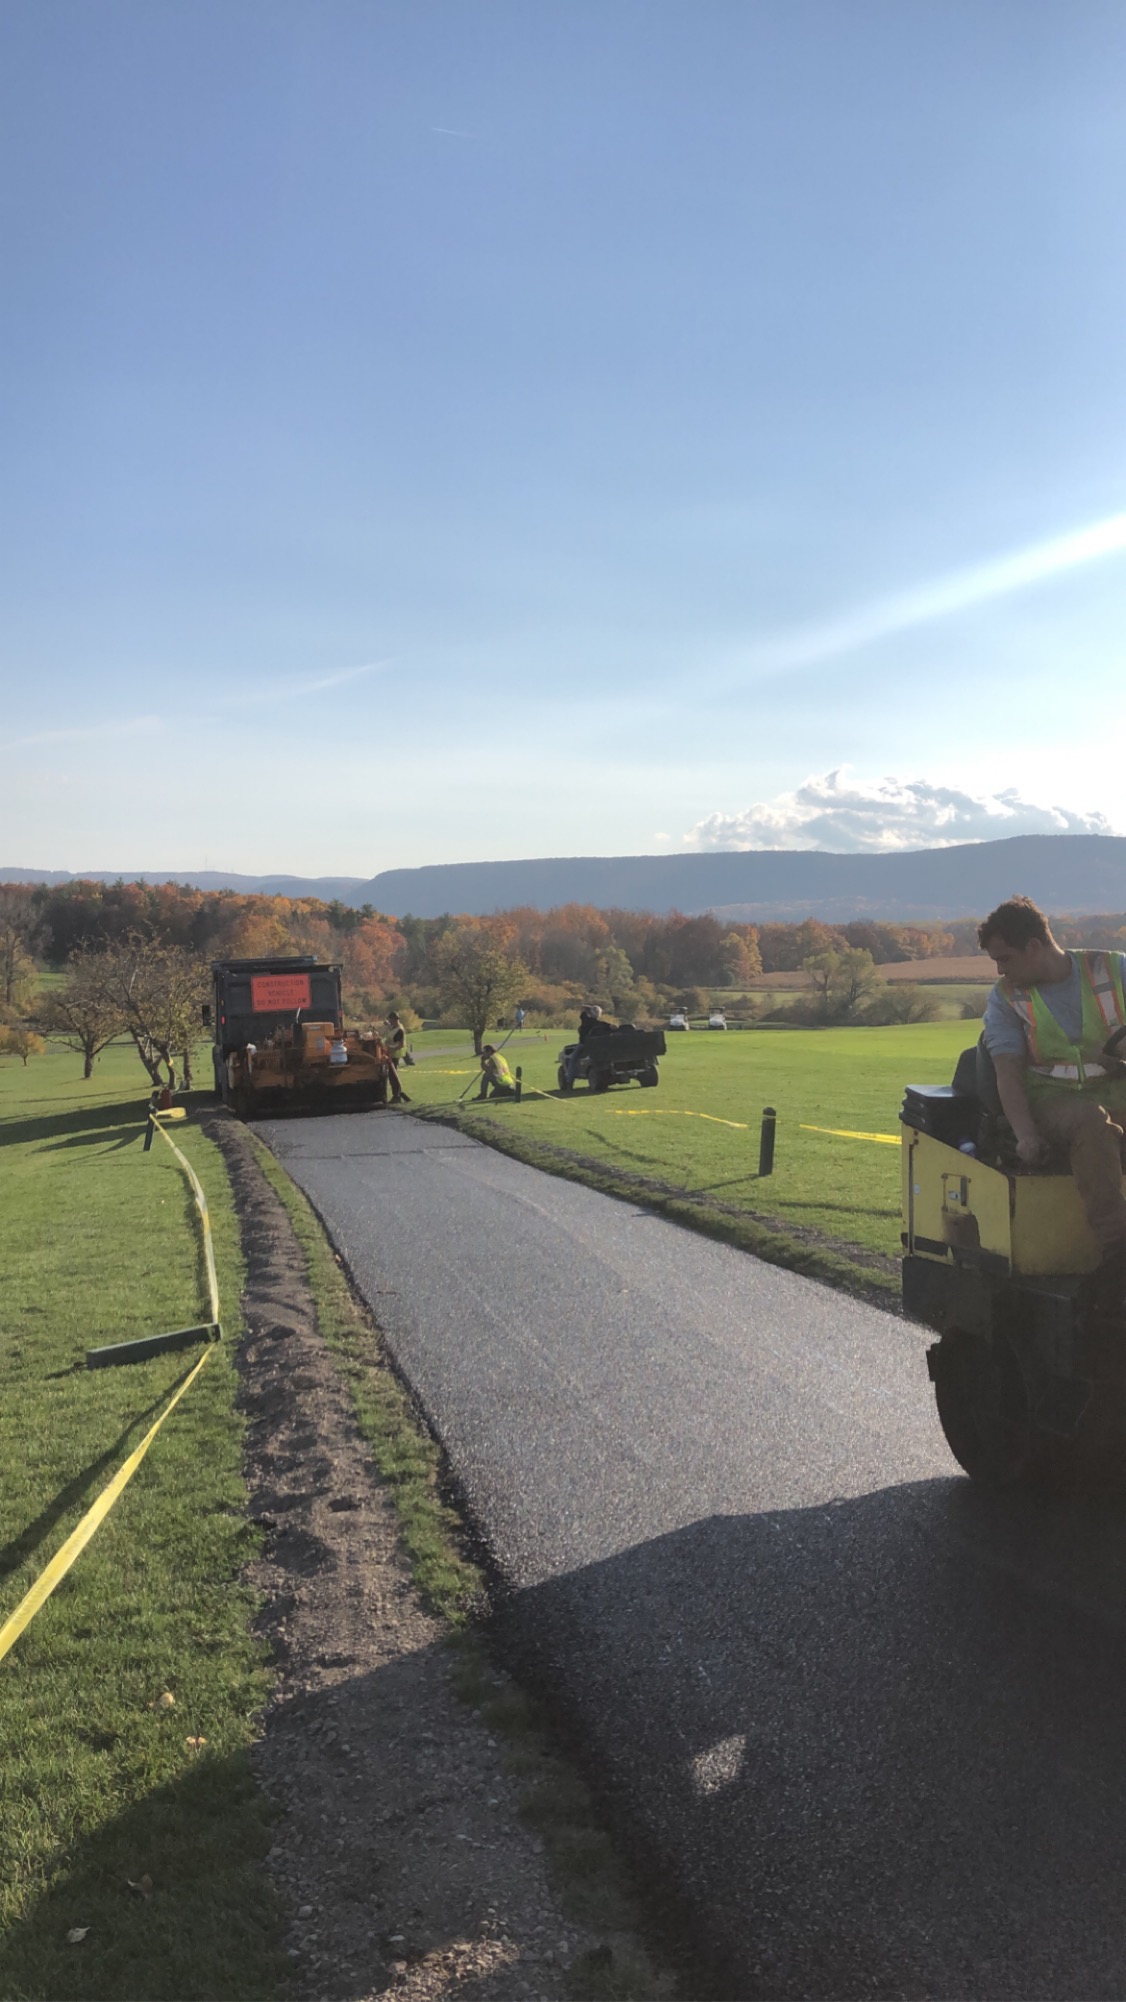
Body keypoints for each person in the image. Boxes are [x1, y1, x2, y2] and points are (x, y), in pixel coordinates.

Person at [979, 895, 1126, 1293]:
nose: (1000, 970)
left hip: (1117, 1091)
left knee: (1100, 1116)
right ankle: (1117, 1254)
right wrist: (1026, 1134)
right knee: (1093, 1124)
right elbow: (1007, 1073)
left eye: (1005, 959)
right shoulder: (1007, 998)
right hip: (1051, 1102)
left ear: (1034, 946)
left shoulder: (1115, 970)